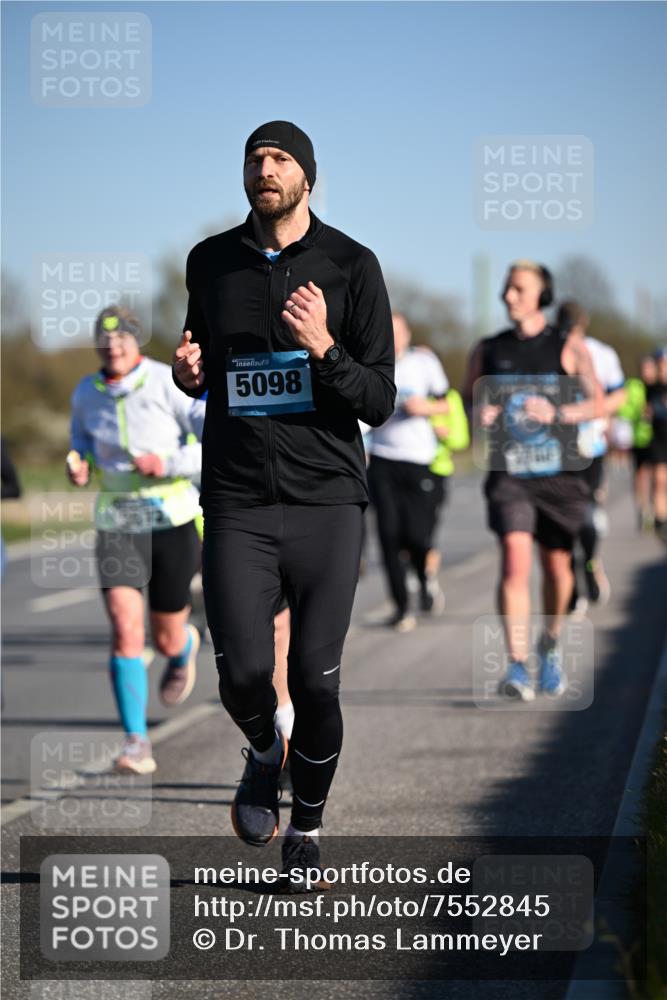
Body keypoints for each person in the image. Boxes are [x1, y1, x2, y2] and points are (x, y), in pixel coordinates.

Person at [172, 121, 395, 887]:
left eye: (279, 159)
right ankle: (266, 754)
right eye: (254, 158)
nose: (264, 169)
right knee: (239, 677)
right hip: (234, 498)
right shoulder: (209, 261)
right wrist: (187, 373)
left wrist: (325, 348)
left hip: (326, 501)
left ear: (308, 177)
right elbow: (201, 362)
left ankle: (307, 829)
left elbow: (380, 400)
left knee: (314, 680)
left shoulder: (350, 264)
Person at [68, 306, 203, 775]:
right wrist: (78, 463)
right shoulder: (86, 391)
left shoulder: (168, 381)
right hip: (117, 524)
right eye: (104, 343)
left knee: (164, 638)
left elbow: (209, 442)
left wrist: (165, 463)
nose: (113, 349)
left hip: (172, 519)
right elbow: (80, 440)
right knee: (126, 631)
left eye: (122, 341)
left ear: (136, 343)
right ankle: (136, 742)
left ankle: (183, 645)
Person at [463, 261, 603, 701]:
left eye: (518, 289)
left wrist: (559, 413)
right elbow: (470, 401)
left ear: (541, 295)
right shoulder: (487, 349)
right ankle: (518, 665)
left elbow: (599, 403)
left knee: (557, 567)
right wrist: (479, 413)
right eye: (506, 289)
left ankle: (551, 644)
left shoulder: (568, 346)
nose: (508, 296)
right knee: (513, 558)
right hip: (510, 474)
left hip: (560, 474)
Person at [367, 315, 450, 632]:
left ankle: (424, 574)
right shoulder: (371, 361)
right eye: (387, 331)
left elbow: (446, 404)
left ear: (408, 333)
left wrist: (424, 408)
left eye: (398, 332)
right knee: (388, 536)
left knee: (417, 536)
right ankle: (402, 607)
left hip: (419, 459)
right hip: (383, 459)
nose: (393, 337)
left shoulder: (423, 362)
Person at [555, 301, 627, 615]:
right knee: (562, 516)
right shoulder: (547, 349)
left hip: (590, 444)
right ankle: (569, 578)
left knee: (586, 514)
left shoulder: (603, 353)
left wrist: (598, 412)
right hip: (556, 447)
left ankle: (589, 561)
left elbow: (619, 394)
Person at [426, 382, 470, 586]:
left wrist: (444, 434)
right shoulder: (403, 391)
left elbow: (461, 440)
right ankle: (414, 574)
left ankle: (427, 579)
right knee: (398, 531)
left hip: (437, 469)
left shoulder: (449, 397)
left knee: (425, 531)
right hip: (400, 466)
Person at [618, 354, 656, 531]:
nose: (647, 372)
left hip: (658, 438)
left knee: (658, 476)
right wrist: (638, 411)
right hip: (638, 438)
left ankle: (657, 510)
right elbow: (622, 409)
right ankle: (643, 509)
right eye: (644, 368)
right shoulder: (633, 386)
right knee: (640, 475)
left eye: (650, 368)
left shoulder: (660, 386)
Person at [646, 346, 667, 543]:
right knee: (659, 480)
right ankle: (660, 519)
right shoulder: (652, 388)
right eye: (660, 365)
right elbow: (645, 411)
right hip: (659, 439)